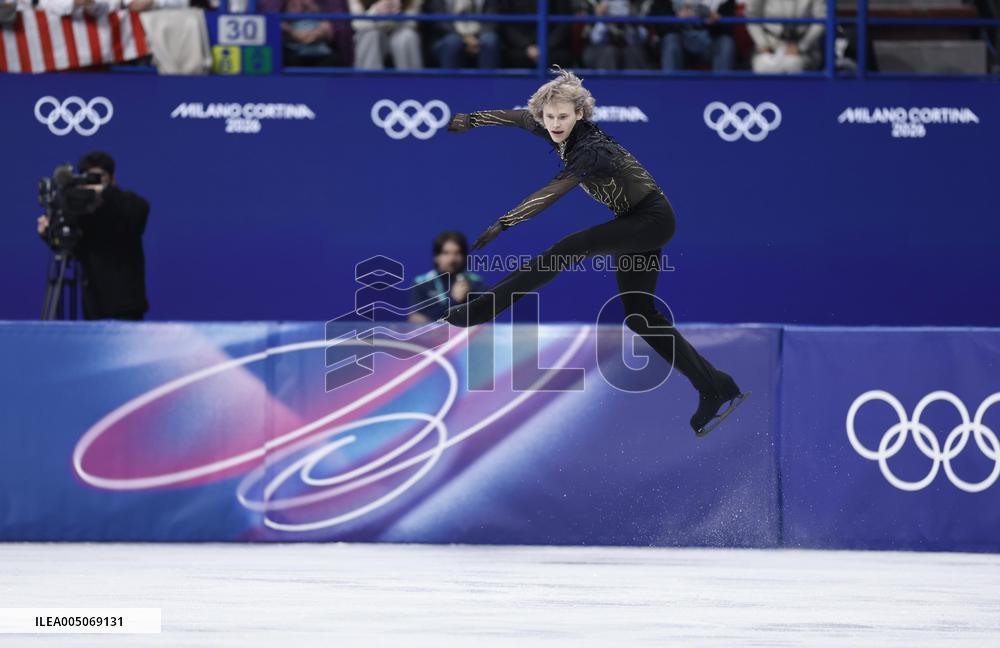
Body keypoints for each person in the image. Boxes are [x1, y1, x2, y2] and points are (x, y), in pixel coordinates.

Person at [440, 67, 748, 436]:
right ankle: (716, 387)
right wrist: (472, 120)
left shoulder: (590, 150)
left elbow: (552, 191)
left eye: (563, 117)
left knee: (570, 247)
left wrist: (504, 223)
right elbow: (518, 117)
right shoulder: (549, 125)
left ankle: (482, 308)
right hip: (636, 220)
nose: (555, 124)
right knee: (640, 315)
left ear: (580, 114)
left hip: (651, 219)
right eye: (550, 117)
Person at [36, 151, 150, 321]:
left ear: (112, 179)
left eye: (98, 178)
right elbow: (71, 246)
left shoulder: (126, 204)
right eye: (87, 178)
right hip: (93, 308)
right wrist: (49, 233)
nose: (92, 184)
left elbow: (140, 212)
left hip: (126, 308)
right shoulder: (82, 213)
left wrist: (105, 193)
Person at [408, 231, 487, 323]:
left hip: (467, 336)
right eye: (446, 253)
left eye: (457, 253)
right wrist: (453, 300)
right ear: (436, 257)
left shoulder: (476, 282)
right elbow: (416, 320)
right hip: (432, 336)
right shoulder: (421, 283)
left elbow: (482, 319)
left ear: (464, 256)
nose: (452, 259)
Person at [745, 0, 824, 73]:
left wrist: (801, 46)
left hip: (803, 49)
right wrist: (763, 44)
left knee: (794, 64)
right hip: (770, 44)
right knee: (762, 65)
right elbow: (752, 17)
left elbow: (822, 19)